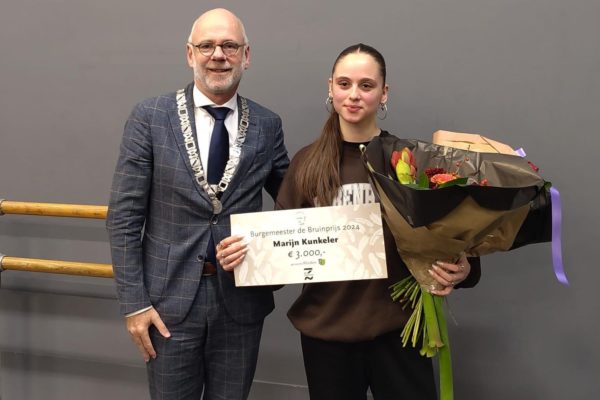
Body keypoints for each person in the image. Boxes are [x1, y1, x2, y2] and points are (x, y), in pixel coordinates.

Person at [273, 43, 481, 400]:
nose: (354, 95)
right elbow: (280, 250)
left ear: (384, 93)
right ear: (330, 88)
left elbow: (453, 239)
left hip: (401, 331)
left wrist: (464, 268)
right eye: (344, 83)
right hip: (328, 335)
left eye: (366, 85)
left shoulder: (409, 160)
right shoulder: (307, 163)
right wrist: (248, 257)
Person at [106, 8, 289, 400]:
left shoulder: (267, 124)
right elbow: (123, 217)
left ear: (246, 55)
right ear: (190, 54)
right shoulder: (150, 117)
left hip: (241, 304)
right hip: (167, 305)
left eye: (229, 45)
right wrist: (134, 304)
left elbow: (295, 201)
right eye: (206, 45)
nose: (218, 54)